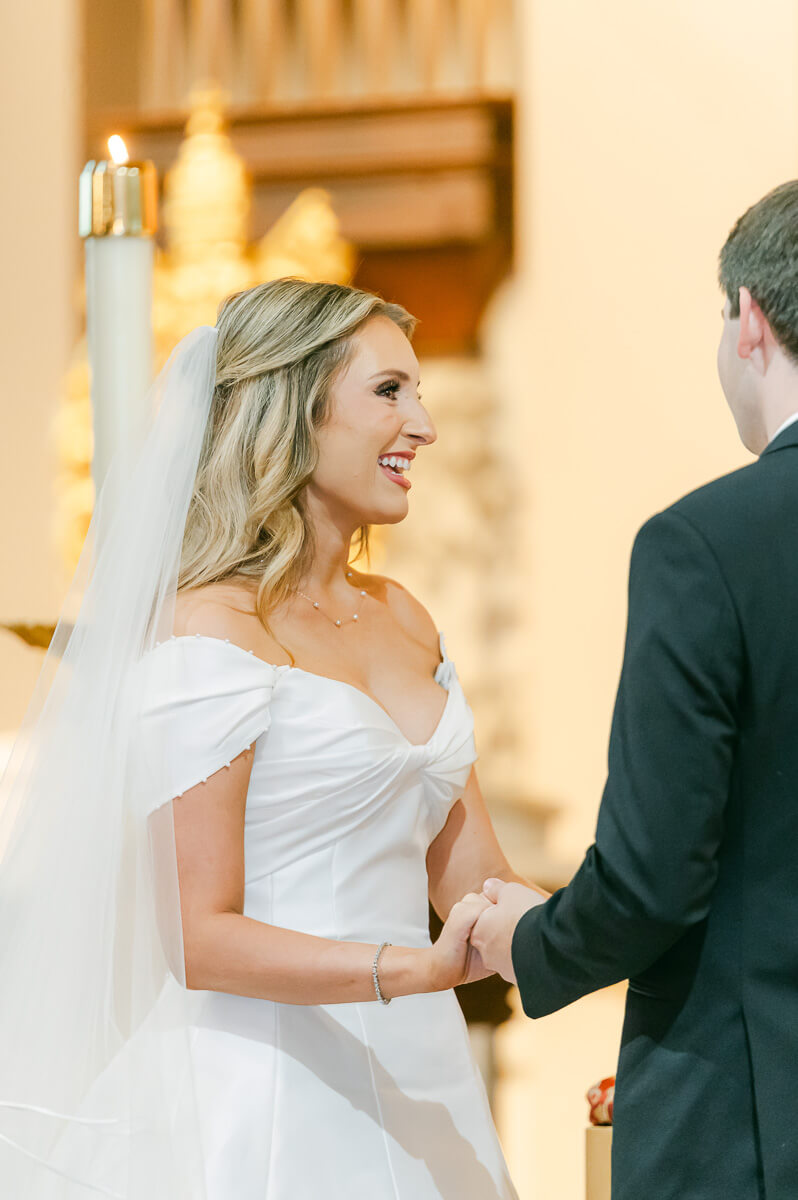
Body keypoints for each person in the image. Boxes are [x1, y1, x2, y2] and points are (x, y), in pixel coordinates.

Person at [0, 278, 538, 1199]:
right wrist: (409, 969)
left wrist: (633, 920)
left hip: (421, 1074)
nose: (425, 426)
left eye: (420, 393)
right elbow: (198, 936)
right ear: (293, 411)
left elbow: (474, 879)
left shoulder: (407, 618)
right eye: (389, 392)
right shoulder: (207, 633)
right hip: (267, 1085)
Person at [470, 180, 798, 1199]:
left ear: (749, 319)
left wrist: (533, 942)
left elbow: (658, 874)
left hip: (756, 1115)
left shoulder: (707, 546)